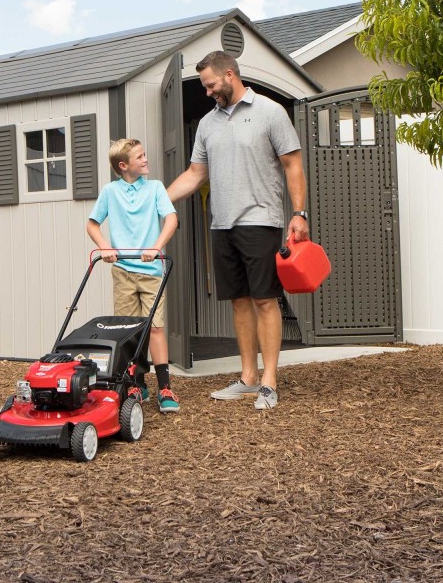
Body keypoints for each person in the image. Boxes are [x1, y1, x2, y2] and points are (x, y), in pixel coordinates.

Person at [166, 51, 309, 410]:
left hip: (260, 219)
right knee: (239, 300)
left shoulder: (270, 112)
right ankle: (247, 376)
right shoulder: (207, 124)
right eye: (205, 86)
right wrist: (158, 199)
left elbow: (292, 164)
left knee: (264, 299)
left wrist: (299, 213)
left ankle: (269, 380)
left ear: (230, 75)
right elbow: (196, 173)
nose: (208, 91)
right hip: (222, 223)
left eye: (211, 84)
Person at [86, 138, 180, 413]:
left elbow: (171, 219)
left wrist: (156, 247)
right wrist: (105, 247)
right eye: (140, 157)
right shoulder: (110, 192)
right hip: (124, 270)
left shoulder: (155, 188)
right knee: (129, 330)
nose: (145, 159)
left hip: (151, 271)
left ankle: (164, 386)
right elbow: (92, 224)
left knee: (156, 327)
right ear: (123, 165)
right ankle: (137, 384)